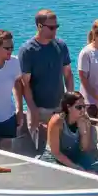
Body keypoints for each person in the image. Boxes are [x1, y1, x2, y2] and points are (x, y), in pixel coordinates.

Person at [19, 9, 73, 150]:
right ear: (39, 26)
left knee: (61, 149)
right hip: (39, 109)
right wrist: (33, 110)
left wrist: (70, 101)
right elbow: (25, 84)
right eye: (51, 27)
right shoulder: (28, 50)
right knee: (42, 150)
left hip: (59, 108)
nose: (55, 30)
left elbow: (67, 74)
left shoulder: (61, 46)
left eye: (56, 27)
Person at [45, 91, 98, 171]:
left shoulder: (85, 120)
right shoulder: (57, 121)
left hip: (73, 156)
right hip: (55, 158)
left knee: (93, 168)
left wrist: (84, 132)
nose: (83, 110)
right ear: (68, 107)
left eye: (84, 106)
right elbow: (56, 153)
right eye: (79, 107)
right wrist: (75, 167)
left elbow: (84, 149)